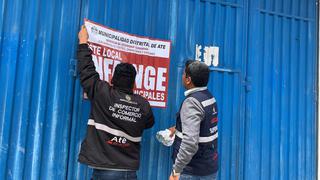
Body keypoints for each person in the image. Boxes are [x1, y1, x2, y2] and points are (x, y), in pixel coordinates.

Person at [77, 25, 155, 180]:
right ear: (134, 83)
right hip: (129, 172)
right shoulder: (143, 104)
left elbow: (87, 71)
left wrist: (83, 42)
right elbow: (149, 123)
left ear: (112, 79)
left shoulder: (102, 92)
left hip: (104, 171)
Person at [169, 60, 218, 180]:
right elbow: (204, 127)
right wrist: (178, 130)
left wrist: (176, 171)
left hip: (192, 171)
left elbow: (190, 143)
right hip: (209, 167)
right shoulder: (209, 97)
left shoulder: (192, 102)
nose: (182, 76)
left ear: (188, 79)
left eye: (183, 74)